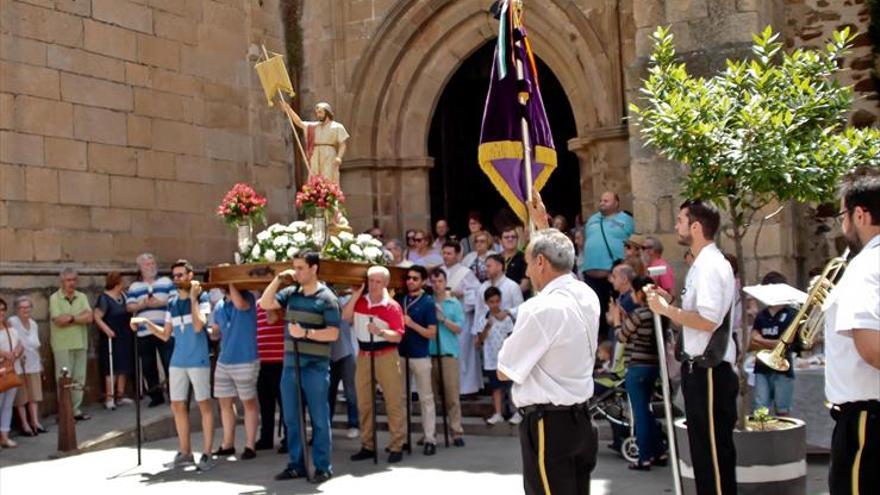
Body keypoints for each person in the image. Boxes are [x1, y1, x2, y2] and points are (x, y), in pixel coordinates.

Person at [497, 190, 600, 494]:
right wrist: (543, 227)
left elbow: (505, 369)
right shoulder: (586, 295)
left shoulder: (540, 309)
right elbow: (562, 257)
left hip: (549, 426)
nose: (527, 270)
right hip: (580, 420)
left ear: (540, 262)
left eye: (529, 262)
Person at [647, 199, 737, 495]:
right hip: (699, 368)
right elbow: (697, 317)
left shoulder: (711, 265)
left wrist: (666, 311)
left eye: (680, 220)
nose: (676, 226)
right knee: (703, 452)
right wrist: (669, 303)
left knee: (712, 454)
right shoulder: (702, 264)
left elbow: (708, 321)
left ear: (695, 227)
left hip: (710, 370)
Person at [259, 252, 341, 484]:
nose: (296, 272)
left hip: (315, 367)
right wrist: (277, 280)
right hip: (290, 366)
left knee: (318, 419)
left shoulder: (327, 298)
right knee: (292, 419)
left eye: (301, 268)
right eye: (294, 268)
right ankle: (296, 464)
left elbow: (333, 333)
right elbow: (265, 303)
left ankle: (323, 467)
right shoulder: (290, 294)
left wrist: (306, 333)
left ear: (314, 268)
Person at [822, 166, 879, 495]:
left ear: (860, 215)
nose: (842, 224)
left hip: (865, 421)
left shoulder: (864, 267)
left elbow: (871, 347)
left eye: (842, 214)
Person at [130, 260, 215, 471]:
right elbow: (166, 335)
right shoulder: (172, 301)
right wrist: (146, 323)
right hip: (178, 360)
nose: (177, 279)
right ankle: (185, 452)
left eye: (180, 275)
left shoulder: (202, 297)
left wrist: (194, 299)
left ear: (190, 275)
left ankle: (207, 453)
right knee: (177, 405)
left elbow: (198, 326)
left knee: (204, 404)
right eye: (174, 276)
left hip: (198, 359)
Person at [343, 266, 407, 464]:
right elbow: (345, 317)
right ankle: (367, 444)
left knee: (393, 401)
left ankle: (397, 444)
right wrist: (356, 294)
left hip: (386, 354)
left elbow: (397, 336)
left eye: (377, 281)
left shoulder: (392, 306)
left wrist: (380, 332)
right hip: (363, 355)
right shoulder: (360, 302)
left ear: (385, 284)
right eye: (370, 281)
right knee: (364, 402)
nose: (373, 285)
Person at [616, 275, 668, 470]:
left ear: (639, 293)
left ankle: (644, 456)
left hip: (637, 366)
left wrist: (616, 320)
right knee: (646, 410)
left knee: (640, 413)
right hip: (653, 366)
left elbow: (621, 336)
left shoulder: (639, 314)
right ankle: (659, 451)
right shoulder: (659, 314)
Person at [211, 284, 260, 460]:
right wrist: (212, 331)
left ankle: (249, 445)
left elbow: (240, 305)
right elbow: (215, 334)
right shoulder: (219, 306)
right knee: (224, 403)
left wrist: (231, 283)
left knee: (248, 403)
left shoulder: (247, 297)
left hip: (246, 359)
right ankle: (227, 444)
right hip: (224, 360)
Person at [396, 265, 439, 455]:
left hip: (420, 355)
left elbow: (431, 332)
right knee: (402, 398)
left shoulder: (428, 302)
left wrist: (411, 324)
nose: (410, 281)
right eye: (408, 278)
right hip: (401, 353)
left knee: (425, 398)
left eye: (415, 278)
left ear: (422, 281)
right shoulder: (402, 299)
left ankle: (430, 437)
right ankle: (403, 437)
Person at [581, 191, 635, 343]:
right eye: (601, 200)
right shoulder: (592, 219)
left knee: (615, 309)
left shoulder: (626, 219)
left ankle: (615, 342)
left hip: (613, 275)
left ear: (616, 203)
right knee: (594, 311)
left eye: (606, 201)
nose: (602, 203)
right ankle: (599, 346)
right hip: (590, 274)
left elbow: (634, 242)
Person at [127, 253, 176, 408]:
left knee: (169, 362)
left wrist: (158, 303)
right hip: (144, 331)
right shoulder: (135, 287)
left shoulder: (166, 282)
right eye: (147, 264)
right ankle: (156, 396)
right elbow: (129, 306)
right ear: (141, 268)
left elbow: (175, 301)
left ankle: (175, 395)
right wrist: (143, 305)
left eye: (153, 263)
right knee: (148, 366)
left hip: (165, 329)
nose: (151, 266)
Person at [749, 271, 798, 416]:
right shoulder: (761, 316)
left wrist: (762, 341)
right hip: (761, 368)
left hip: (783, 369)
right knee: (760, 409)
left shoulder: (791, 314)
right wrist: (768, 342)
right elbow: (753, 340)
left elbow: (785, 342)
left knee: (783, 409)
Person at [428, 267, 467, 445]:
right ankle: (431, 433)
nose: (437, 285)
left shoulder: (454, 304)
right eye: (434, 282)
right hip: (429, 353)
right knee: (430, 398)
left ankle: (456, 431)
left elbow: (459, 328)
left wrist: (443, 319)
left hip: (448, 353)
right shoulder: (427, 302)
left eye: (440, 281)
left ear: (445, 283)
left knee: (452, 396)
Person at [49, 267, 93, 421]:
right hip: (62, 344)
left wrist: (72, 318)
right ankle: (65, 412)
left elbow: (89, 317)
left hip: (80, 342)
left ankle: (75, 410)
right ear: (62, 282)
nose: (71, 283)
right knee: (64, 379)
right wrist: (78, 318)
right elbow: (59, 320)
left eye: (74, 280)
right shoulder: (55, 298)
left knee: (79, 378)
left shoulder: (82, 297)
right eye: (68, 280)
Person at [440, 241, 483, 395]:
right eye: (444, 253)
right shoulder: (440, 272)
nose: (446, 256)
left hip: (461, 319)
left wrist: (463, 294)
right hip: (443, 320)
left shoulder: (465, 272)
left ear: (458, 255)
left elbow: (479, 293)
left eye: (449, 253)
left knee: (463, 353)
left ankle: (466, 389)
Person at [279, 100, 349, 183]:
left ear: (327, 112)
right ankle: (316, 193)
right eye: (317, 113)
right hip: (315, 153)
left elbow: (343, 144)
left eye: (320, 112)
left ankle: (330, 194)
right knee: (314, 177)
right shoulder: (314, 126)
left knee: (328, 177)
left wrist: (339, 157)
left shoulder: (337, 126)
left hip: (329, 153)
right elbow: (299, 122)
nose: (318, 115)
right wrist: (289, 110)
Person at [93, 271, 134, 410]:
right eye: (122, 281)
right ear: (117, 283)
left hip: (124, 335)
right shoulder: (104, 298)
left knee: (123, 366)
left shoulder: (124, 295)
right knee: (111, 367)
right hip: (111, 336)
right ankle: (109, 397)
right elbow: (97, 316)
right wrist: (107, 330)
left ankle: (120, 395)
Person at [477, 287, 516, 425]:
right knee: (496, 387)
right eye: (491, 302)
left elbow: (512, 336)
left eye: (497, 301)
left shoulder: (506, 319)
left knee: (510, 386)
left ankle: (516, 412)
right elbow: (478, 341)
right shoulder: (483, 319)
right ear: (487, 302)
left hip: (506, 358)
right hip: (491, 358)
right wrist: (487, 326)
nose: (495, 304)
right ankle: (498, 413)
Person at [9, 296, 46, 436]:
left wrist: (41, 363)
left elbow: (37, 346)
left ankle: (35, 423)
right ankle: (25, 425)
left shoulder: (33, 323)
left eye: (28, 307)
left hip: (33, 364)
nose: (25, 310)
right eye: (22, 307)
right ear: (17, 310)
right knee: (21, 397)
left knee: (34, 396)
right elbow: (11, 341)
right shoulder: (13, 321)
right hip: (19, 365)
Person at [254, 305, 287, 452]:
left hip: (280, 360)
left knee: (286, 404)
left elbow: (272, 318)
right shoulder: (258, 304)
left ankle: (290, 438)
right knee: (265, 404)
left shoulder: (279, 301)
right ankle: (266, 438)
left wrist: (269, 301)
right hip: (263, 361)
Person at [329, 292, 360, 440]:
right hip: (328, 353)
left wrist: (355, 293)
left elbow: (348, 317)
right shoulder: (322, 299)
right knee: (328, 392)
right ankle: (326, 424)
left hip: (346, 352)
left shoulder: (345, 300)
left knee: (351, 392)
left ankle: (354, 424)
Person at [472, 255, 525, 335]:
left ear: (499, 266)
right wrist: (476, 334)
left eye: (489, 266)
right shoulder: (482, 288)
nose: (486, 269)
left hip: (508, 334)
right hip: (487, 337)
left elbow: (521, 309)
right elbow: (479, 312)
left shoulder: (512, 286)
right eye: (485, 266)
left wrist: (507, 312)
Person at [0, 298, 22, 447]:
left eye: (2, 309)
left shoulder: (10, 328)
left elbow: (20, 344)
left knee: (7, 405)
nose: (1, 313)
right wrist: (4, 353)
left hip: (11, 370)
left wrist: (16, 352)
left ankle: (4, 436)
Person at [500, 226, 530, 297]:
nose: (510, 239)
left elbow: (525, 285)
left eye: (513, 237)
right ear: (501, 241)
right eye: (506, 237)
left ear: (517, 239)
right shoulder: (496, 258)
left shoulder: (525, 257)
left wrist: (507, 296)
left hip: (518, 300)